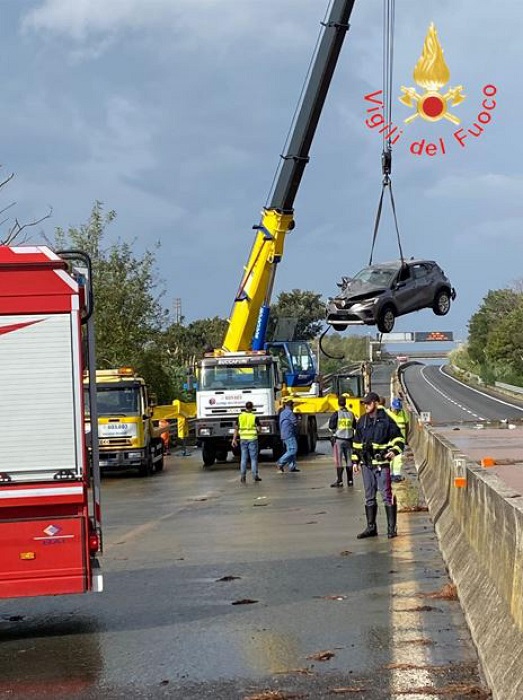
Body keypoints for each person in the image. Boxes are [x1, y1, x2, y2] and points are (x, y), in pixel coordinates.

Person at [352, 391, 404, 539]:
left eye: (368, 403)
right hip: (366, 465)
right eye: (364, 403)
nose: (366, 406)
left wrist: (394, 451)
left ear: (375, 403)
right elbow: (356, 442)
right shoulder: (362, 421)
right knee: (369, 496)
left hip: (382, 464)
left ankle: (391, 528)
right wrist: (355, 461)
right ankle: (371, 527)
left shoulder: (387, 420)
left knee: (386, 495)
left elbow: (399, 439)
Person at [328, 396, 356, 487]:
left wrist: (334, 432)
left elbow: (331, 426)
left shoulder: (336, 414)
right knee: (349, 460)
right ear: (345, 403)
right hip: (349, 439)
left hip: (339, 439)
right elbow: (354, 426)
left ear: (338, 403)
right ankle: (350, 480)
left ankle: (339, 481)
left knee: (339, 461)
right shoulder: (351, 414)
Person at [232, 401, 262, 483]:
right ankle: (255, 475)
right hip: (252, 438)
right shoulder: (254, 417)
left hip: (243, 439)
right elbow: (259, 429)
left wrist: (234, 439)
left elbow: (236, 429)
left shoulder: (240, 416)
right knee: (253, 459)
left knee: (244, 458)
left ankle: (243, 476)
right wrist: (257, 431)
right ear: (252, 407)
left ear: (245, 407)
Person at [387, 397, 409, 482]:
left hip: (400, 441)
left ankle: (396, 474)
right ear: (392, 407)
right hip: (390, 440)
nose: (397, 411)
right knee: (390, 457)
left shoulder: (402, 413)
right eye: (396, 410)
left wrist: (406, 438)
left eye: (398, 410)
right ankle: (389, 475)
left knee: (399, 458)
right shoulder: (387, 413)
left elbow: (407, 425)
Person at [276, 397, 300, 473]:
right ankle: (280, 462)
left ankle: (292, 466)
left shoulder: (282, 413)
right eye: (292, 404)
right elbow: (295, 422)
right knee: (293, 450)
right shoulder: (289, 413)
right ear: (290, 405)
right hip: (289, 434)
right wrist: (298, 420)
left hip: (284, 434)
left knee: (289, 449)